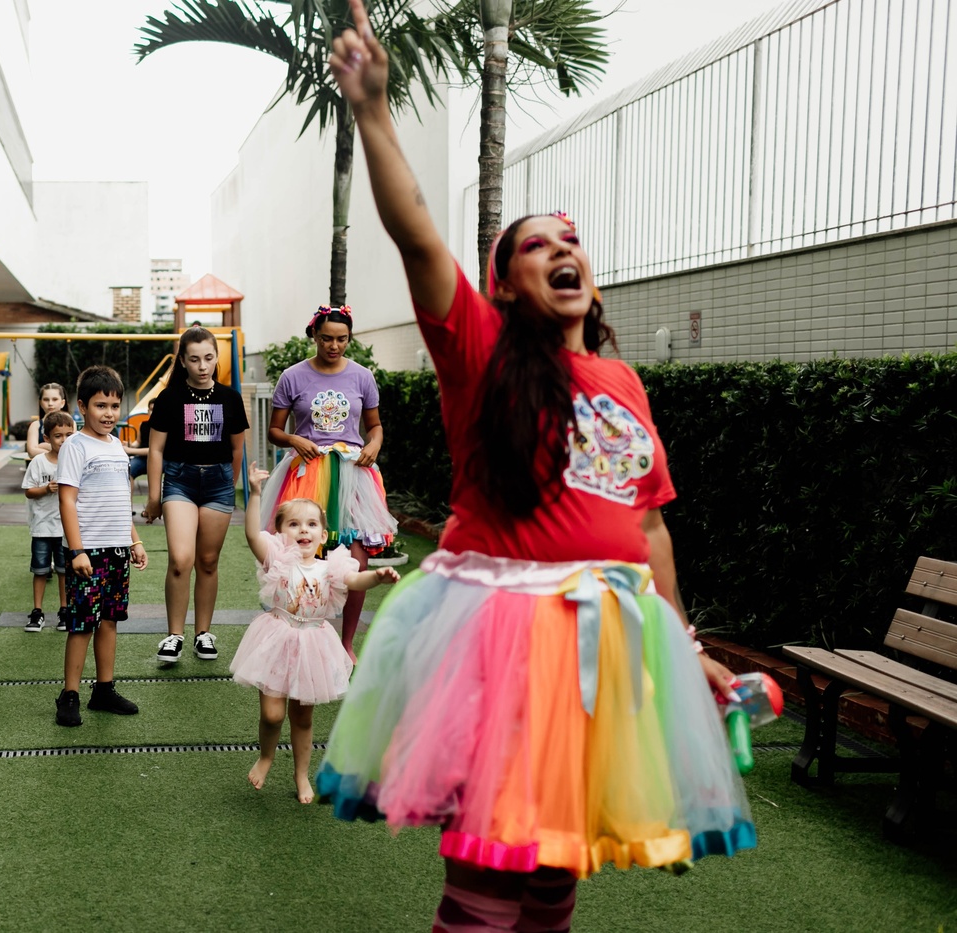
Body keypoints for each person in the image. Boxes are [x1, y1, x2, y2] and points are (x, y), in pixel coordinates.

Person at [315, 6, 754, 930]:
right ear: (504, 285)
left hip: (608, 641)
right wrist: (374, 113)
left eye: (572, 240)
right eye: (536, 244)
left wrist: (686, 649)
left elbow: (648, 528)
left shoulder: (623, 382)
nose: (563, 250)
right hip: (505, 638)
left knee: (555, 876)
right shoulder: (480, 352)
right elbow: (419, 237)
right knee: (488, 880)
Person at [231, 463, 398, 803]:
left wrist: (377, 578)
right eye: (293, 524)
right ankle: (266, 756)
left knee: (303, 718)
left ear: (323, 535)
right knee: (272, 714)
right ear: (280, 533)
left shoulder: (332, 567)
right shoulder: (278, 560)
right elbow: (252, 536)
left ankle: (301, 774)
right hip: (277, 640)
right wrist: (256, 494)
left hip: (312, 646)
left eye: (311, 524)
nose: (302, 530)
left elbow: (356, 580)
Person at [263, 305, 398, 663]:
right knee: (306, 560)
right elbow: (274, 431)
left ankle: (346, 643)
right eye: (326, 339)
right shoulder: (292, 377)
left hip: (353, 476)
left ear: (349, 338)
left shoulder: (362, 377)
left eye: (342, 339)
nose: (334, 346)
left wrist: (374, 444)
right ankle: (306, 639)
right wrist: (294, 439)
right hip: (308, 473)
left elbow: (375, 426)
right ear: (314, 335)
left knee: (358, 562)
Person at [140, 326, 249, 664]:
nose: (202, 366)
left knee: (208, 561)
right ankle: (174, 635)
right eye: (194, 359)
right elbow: (156, 450)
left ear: (216, 358)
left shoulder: (230, 398)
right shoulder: (170, 398)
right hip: (180, 482)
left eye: (208, 358)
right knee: (181, 559)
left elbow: (237, 449)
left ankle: (203, 634)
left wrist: (228, 485)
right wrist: (154, 498)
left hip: (218, 484)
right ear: (183, 361)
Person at [55, 365, 149, 727]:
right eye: (100, 406)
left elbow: (121, 501)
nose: (108, 414)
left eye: (113, 406)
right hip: (88, 552)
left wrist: (134, 540)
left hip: (117, 550)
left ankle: (104, 690)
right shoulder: (75, 446)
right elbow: (67, 500)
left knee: (109, 620)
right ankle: (70, 694)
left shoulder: (117, 448)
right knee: (82, 624)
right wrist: (76, 550)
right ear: (82, 406)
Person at [22, 411, 75, 633]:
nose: (63, 440)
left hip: (65, 528)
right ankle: (37, 612)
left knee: (64, 571)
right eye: (58, 436)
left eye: (68, 435)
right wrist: (46, 489)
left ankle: (64, 610)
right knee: (40, 570)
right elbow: (28, 491)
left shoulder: (75, 462)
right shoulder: (38, 462)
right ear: (47, 438)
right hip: (42, 527)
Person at [26, 382, 69, 459]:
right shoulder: (35, 425)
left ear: (62, 403)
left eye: (55, 399)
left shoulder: (70, 424)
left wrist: (43, 446)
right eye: (46, 400)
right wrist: (55, 452)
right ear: (40, 403)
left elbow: (69, 450)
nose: (50, 403)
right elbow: (31, 451)